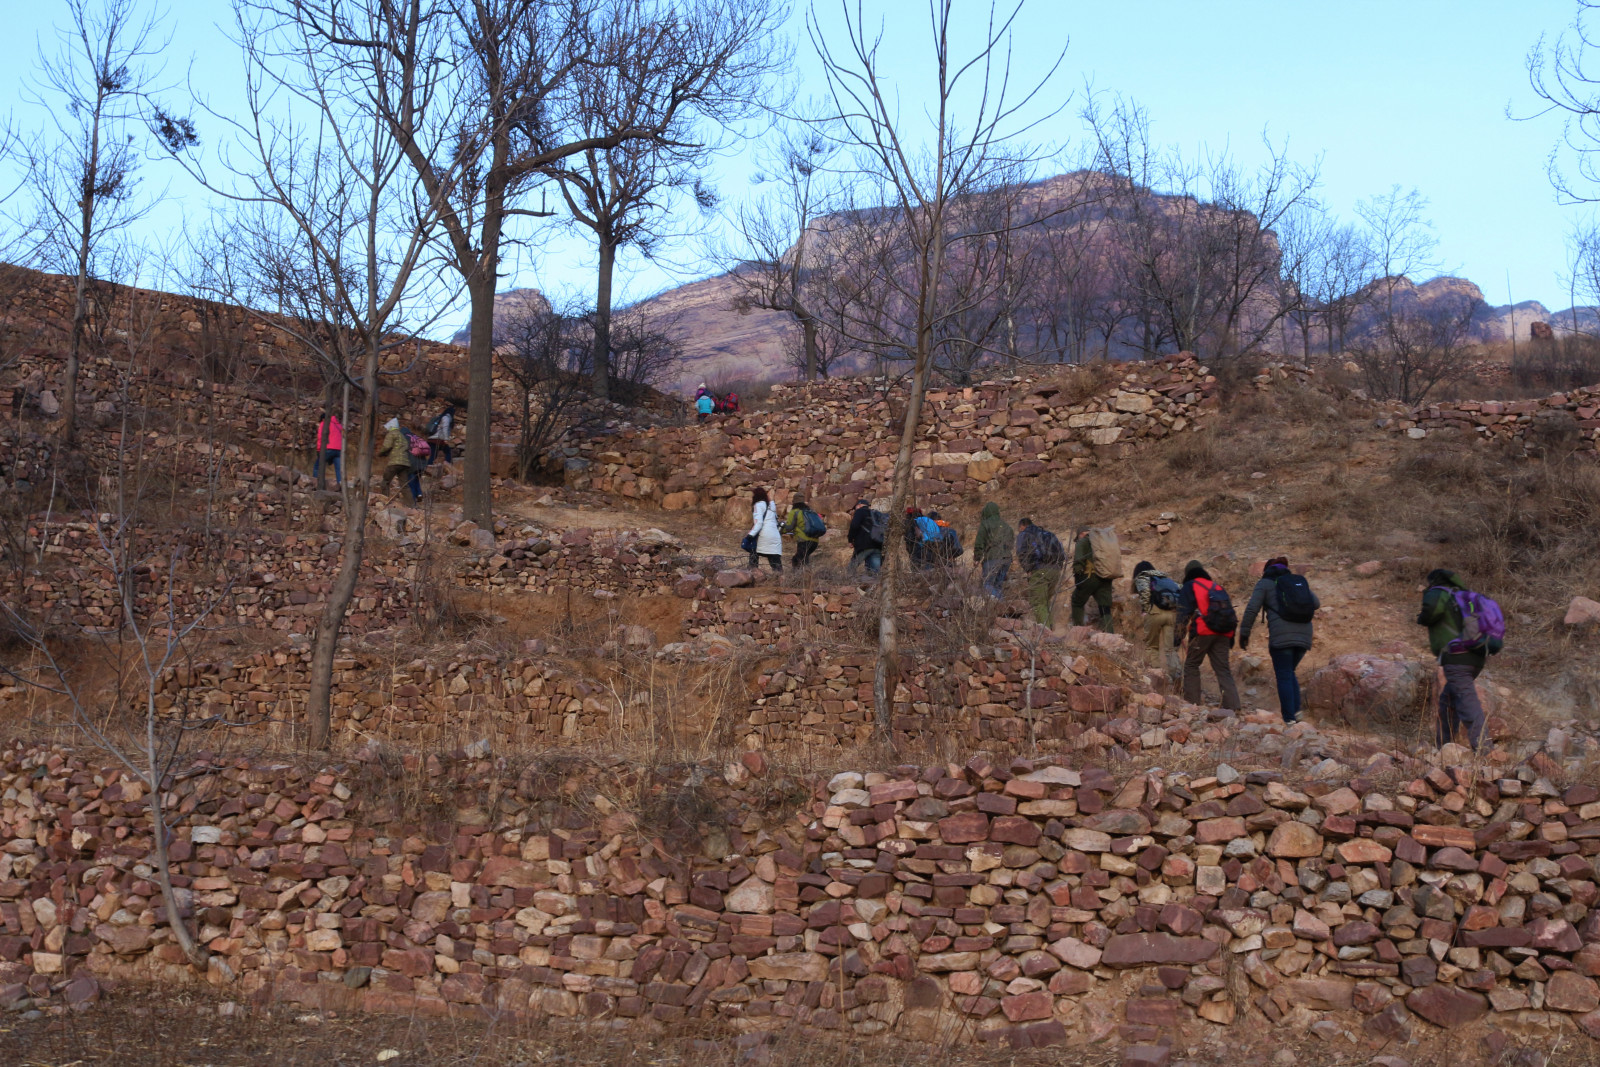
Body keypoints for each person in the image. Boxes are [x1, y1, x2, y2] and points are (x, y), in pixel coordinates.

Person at [1240, 556, 1321, 724]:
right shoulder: (1296, 582)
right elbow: (1316, 603)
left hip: (1282, 636)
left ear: (1267, 570)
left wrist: (1244, 633)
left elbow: (1251, 609)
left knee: (1284, 674)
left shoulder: (1265, 583)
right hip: (1304, 636)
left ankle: (1290, 719)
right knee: (1289, 672)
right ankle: (1296, 714)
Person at [1417, 568, 1490, 750]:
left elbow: (1429, 614)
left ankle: (1484, 751)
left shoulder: (1439, 594)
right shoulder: (1465, 597)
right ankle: (1444, 748)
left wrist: (1422, 615)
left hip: (1457, 657)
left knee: (1467, 702)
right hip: (1477, 657)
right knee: (1448, 699)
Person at [1175, 560, 1240, 711]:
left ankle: (1192, 705)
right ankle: (1234, 707)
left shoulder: (1190, 586)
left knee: (1192, 665)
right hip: (1224, 632)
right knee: (1223, 669)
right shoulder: (1217, 587)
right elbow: (1230, 614)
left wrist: (1177, 637)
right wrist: (1231, 639)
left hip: (1203, 631)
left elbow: (1183, 614)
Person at [1131, 560, 1182, 681]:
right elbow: (1180, 590)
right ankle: (1177, 676)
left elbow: (1145, 593)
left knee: (1152, 646)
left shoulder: (1142, 577)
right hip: (1171, 614)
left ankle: (1156, 676)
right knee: (1170, 648)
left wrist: (1145, 609)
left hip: (1155, 612)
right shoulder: (1166, 579)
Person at [1014, 518, 1065, 626]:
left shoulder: (1025, 534)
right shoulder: (1049, 534)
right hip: (1055, 571)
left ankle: (1045, 634)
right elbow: (1061, 552)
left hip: (1039, 570)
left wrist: (1028, 569)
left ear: (1022, 526)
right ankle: (1051, 631)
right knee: (1046, 601)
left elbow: (1022, 553)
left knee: (1038, 602)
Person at [1071, 527, 1120, 633]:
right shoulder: (1102, 540)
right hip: (1106, 576)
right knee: (1104, 606)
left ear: (1082, 534)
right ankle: (1109, 633)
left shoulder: (1083, 542)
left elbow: (1078, 563)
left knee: (1077, 602)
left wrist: (1078, 580)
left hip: (1089, 577)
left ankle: (1078, 632)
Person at [972, 502, 1013, 597]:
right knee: (998, 585)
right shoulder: (1006, 525)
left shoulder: (985, 524)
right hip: (1006, 559)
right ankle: (1002, 609)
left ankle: (1000, 604)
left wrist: (977, 558)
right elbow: (1011, 543)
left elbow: (979, 542)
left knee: (988, 584)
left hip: (992, 559)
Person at [379, 417, 421, 502]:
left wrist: (380, 453)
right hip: (405, 463)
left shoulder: (391, 434)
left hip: (394, 462)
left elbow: (386, 446)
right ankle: (411, 505)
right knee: (404, 485)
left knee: (385, 482)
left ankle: (384, 501)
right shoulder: (402, 435)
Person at [747, 488, 783, 571]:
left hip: (764, 536)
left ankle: (753, 575)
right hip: (775, 536)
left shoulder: (758, 505)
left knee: (754, 553)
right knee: (776, 562)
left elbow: (758, 523)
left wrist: (750, 535)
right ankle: (782, 580)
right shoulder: (772, 507)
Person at [846, 499, 885, 575]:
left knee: (851, 569)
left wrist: (850, 540)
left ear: (859, 505)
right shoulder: (875, 513)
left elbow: (854, 526)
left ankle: (849, 584)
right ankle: (872, 585)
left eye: (855, 507)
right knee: (874, 573)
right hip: (877, 544)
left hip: (864, 545)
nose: (855, 510)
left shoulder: (860, 511)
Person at [783, 497, 821, 568]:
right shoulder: (811, 511)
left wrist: (781, 530)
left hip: (803, 541)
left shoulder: (795, 512)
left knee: (798, 560)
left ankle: (799, 577)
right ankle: (805, 575)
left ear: (794, 502)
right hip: (815, 542)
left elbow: (789, 527)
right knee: (803, 559)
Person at [313, 412, 343, 489]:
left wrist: (319, 450)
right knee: (338, 469)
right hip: (339, 450)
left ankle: (316, 484)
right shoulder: (338, 425)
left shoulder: (324, 424)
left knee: (317, 466)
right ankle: (341, 485)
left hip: (328, 448)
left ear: (323, 419)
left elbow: (320, 438)